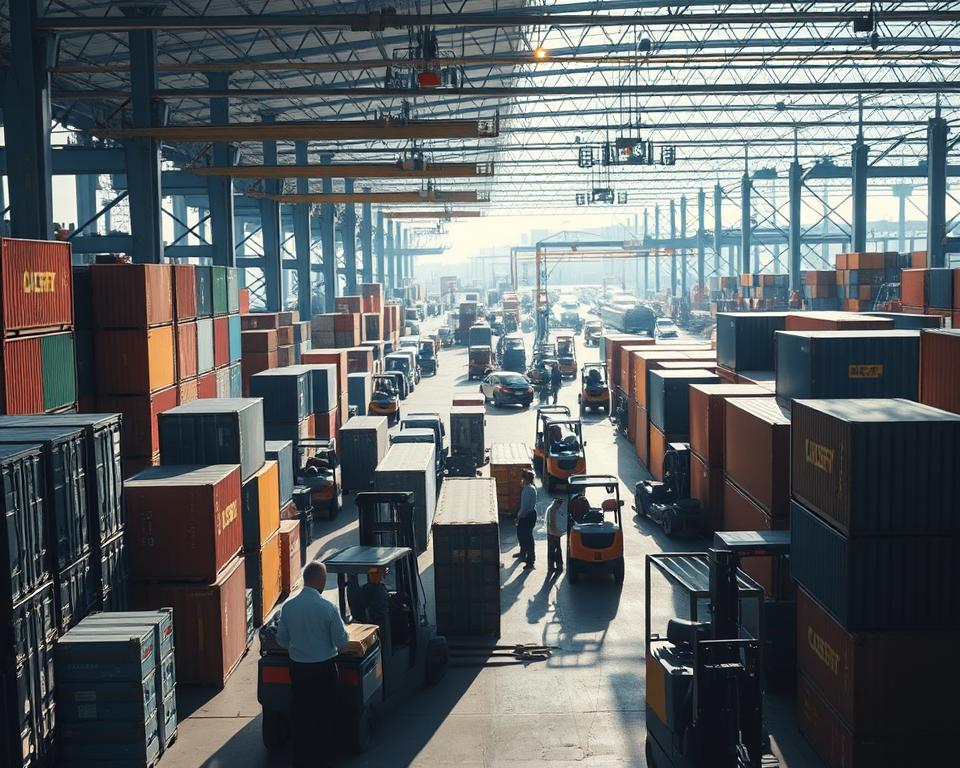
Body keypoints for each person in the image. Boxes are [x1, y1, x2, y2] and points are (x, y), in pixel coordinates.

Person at [277, 561, 349, 768]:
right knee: (324, 715)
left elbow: (282, 640)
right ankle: (322, 759)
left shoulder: (289, 607)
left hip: (299, 670)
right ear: (321, 581)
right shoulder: (328, 608)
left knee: (301, 715)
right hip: (324, 670)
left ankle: (300, 760)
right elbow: (341, 641)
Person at [513, 469, 538, 569]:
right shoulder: (528, 488)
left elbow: (524, 507)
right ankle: (522, 553)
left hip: (527, 516)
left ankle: (530, 560)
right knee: (521, 535)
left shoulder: (528, 490)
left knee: (527, 538)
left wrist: (518, 517)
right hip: (528, 514)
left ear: (525, 479)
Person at [546, 497, 566, 575]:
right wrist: (556, 533)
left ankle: (552, 567)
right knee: (555, 551)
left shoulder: (552, 508)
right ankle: (556, 567)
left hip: (553, 533)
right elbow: (552, 523)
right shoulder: (553, 510)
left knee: (553, 551)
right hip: (553, 534)